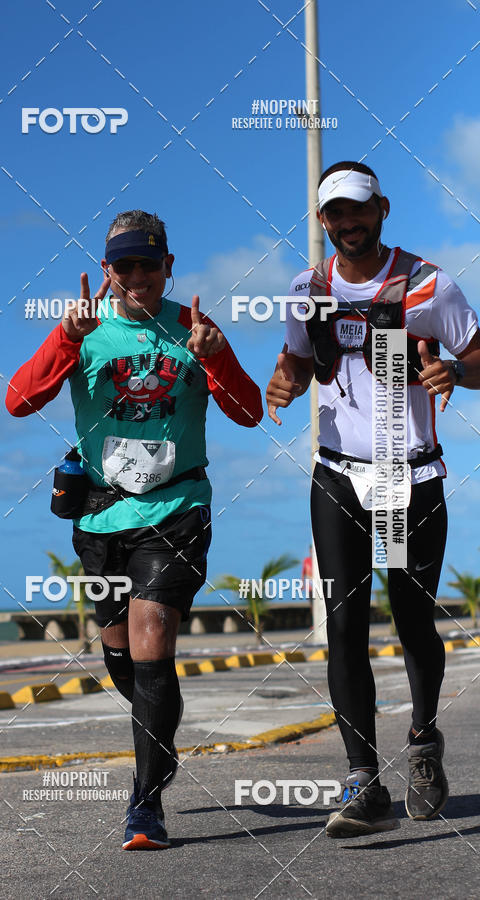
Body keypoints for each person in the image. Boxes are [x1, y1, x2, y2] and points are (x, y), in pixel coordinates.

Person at [6, 210, 263, 849]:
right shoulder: (85, 331)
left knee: (152, 641)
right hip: (101, 517)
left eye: (149, 264)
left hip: (176, 509)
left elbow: (249, 412)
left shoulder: (196, 330)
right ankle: (161, 743)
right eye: (125, 266)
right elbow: (18, 401)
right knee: (122, 658)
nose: (138, 276)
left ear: (168, 267)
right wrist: (65, 340)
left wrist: (217, 357)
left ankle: (144, 804)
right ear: (108, 271)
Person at [266, 162, 480, 838]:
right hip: (337, 475)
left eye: (359, 209)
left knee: (413, 621)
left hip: (408, 477)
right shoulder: (307, 289)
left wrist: (456, 370)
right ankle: (363, 780)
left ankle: (422, 741)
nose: (348, 222)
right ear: (322, 220)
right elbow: (298, 359)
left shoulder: (429, 285)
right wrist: (283, 380)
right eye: (336, 213)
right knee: (345, 625)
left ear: (382, 209)